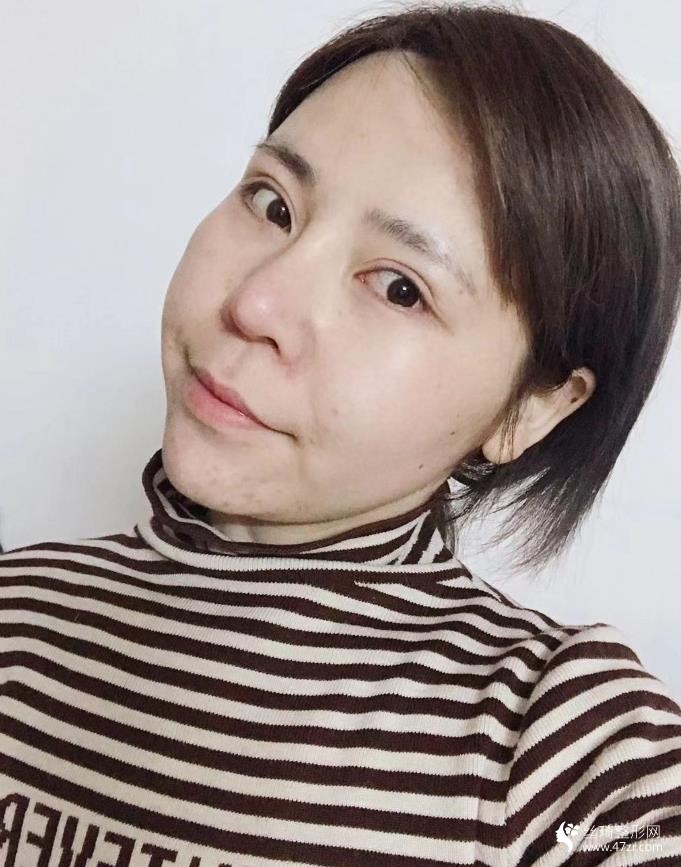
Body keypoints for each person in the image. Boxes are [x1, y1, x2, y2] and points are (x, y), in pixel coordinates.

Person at [1, 3, 680, 865]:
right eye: (272, 203)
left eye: (399, 287)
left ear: (531, 409)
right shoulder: (16, 618)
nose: (255, 303)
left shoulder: (569, 760)